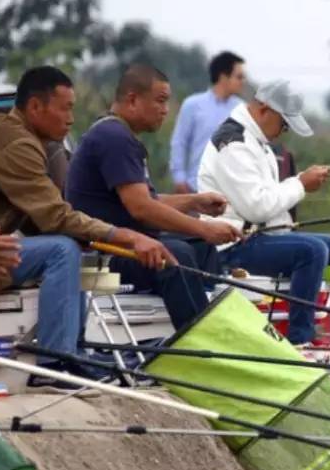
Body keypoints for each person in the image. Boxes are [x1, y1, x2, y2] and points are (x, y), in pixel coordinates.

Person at [0, 65, 172, 391]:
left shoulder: (16, 134)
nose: (71, 119)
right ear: (35, 107)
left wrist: (91, 237)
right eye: (65, 108)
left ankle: (75, 354)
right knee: (62, 249)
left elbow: (42, 220)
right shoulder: (18, 145)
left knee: (67, 244)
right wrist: (128, 236)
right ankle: (54, 365)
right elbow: (57, 216)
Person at [67, 64, 238, 330]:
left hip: (130, 245)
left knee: (201, 248)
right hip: (105, 253)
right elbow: (141, 209)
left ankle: (215, 321)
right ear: (133, 99)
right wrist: (204, 228)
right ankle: (200, 339)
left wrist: (194, 201)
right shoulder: (114, 137)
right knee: (177, 252)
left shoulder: (119, 134)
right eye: (160, 100)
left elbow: (147, 199)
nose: (166, 109)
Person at [197, 79, 330, 345]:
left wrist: (296, 193)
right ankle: (301, 339)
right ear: (264, 109)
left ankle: (312, 319)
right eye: (284, 123)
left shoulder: (256, 140)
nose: (284, 131)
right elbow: (257, 206)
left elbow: (266, 201)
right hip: (232, 243)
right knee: (312, 251)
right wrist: (300, 184)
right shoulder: (235, 143)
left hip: (257, 235)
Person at [168, 51, 245, 193]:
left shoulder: (242, 109)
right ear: (223, 77)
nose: (243, 82)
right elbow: (179, 142)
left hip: (231, 192)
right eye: (239, 77)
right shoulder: (192, 105)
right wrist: (179, 177)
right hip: (195, 188)